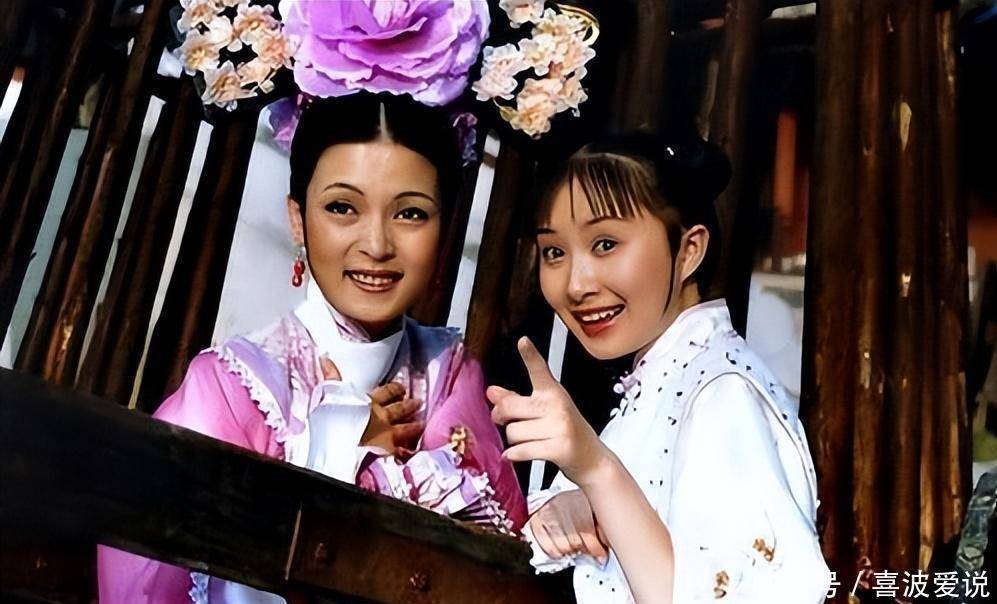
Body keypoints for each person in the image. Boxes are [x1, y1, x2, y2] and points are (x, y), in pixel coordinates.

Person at [98, 93, 527, 604]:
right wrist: (340, 448)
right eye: (342, 207)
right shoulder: (235, 388)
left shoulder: (451, 375)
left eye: (411, 213)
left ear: (445, 228)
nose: (376, 244)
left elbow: (498, 570)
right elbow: (144, 578)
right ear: (298, 218)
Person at [489, 135, 831, 602]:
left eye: (605, 244)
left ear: (688, 250)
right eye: (554, 252)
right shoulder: (660, 382)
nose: (576, 284)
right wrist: (568, 505)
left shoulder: (724, 393)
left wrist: (595, 469)